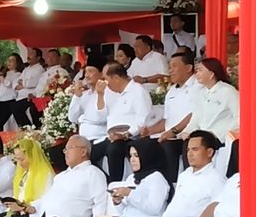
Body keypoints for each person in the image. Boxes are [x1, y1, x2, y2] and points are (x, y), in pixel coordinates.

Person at [111, 130, 225, 217]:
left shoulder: (215, 178)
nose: (189, 154)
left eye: (195, 149)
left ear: (209, 152)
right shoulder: (185, 174)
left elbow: (218, 210)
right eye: (188, 149)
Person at [18, 135, 108, 217]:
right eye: (65, 150)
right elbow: (47, 198)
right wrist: (30, 207)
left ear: (83, 151)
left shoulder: (93, 173)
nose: (65, 152)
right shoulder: (61, 176)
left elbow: (101, 200)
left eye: (69, 148)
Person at [95, 140, 171, 217]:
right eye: (130, 156)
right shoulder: (132, 177)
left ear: (147, 156)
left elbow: (154, 208)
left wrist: (130, 193)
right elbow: (125, 208)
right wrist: (118, 201)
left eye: (136, 156)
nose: (132, 160)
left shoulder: (157, 178)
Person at [142, 52, 201, 182]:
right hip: (169, 135)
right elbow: (167, 119)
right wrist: (149, 131)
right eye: (169, 66)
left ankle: (174, 184)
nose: (170, 70)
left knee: (167, 146)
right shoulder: (172, 90)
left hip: (187, 134)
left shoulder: (198, 86)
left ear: (188, 68)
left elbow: (195, 114)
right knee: (141, 145)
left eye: (174, 66)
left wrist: (173, 131)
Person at [181, 58, 240, 177]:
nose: (196, 73)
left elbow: (239, 117)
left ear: (212, 74)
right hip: (204, 134)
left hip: (220, 137)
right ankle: (192, 176)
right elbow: (196, 117)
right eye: (196, 70)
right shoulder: (200, 93)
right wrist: (187, 131)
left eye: (200, 70)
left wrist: (221, 134)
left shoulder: (228, 91)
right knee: (187, 143)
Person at [99, 62, 152, 182]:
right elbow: (102, 116)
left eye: (106, 79)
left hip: (131, 137)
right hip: (112, 135)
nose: (106, 84)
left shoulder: (138, 92)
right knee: (89, 152)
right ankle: (104, 182)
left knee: (114, 149)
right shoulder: (111, 93)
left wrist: (126, 134)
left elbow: (144, 119)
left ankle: (114, 183)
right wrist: (100, 95)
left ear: (116, 78)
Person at [68, 55, 112, 166]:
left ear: (102, 74)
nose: (86, 75)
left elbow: (101, 118)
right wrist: (77, 96)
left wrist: (100, 95)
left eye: (91, 71)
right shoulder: (85, 94)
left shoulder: (109, 93)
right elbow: (72, 118)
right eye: (86, 71)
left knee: (79, 157)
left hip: (100, 139)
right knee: (57, 152)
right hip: (83, 141)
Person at [0, 54, 22, 131]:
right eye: (8, 60)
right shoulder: (5, 73)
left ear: (17, 63)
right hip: (0, 100)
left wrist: (2, 79)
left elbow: (9, 84)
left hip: (10, 100)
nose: (9, 62)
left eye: (12, 61)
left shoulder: (18, 74)